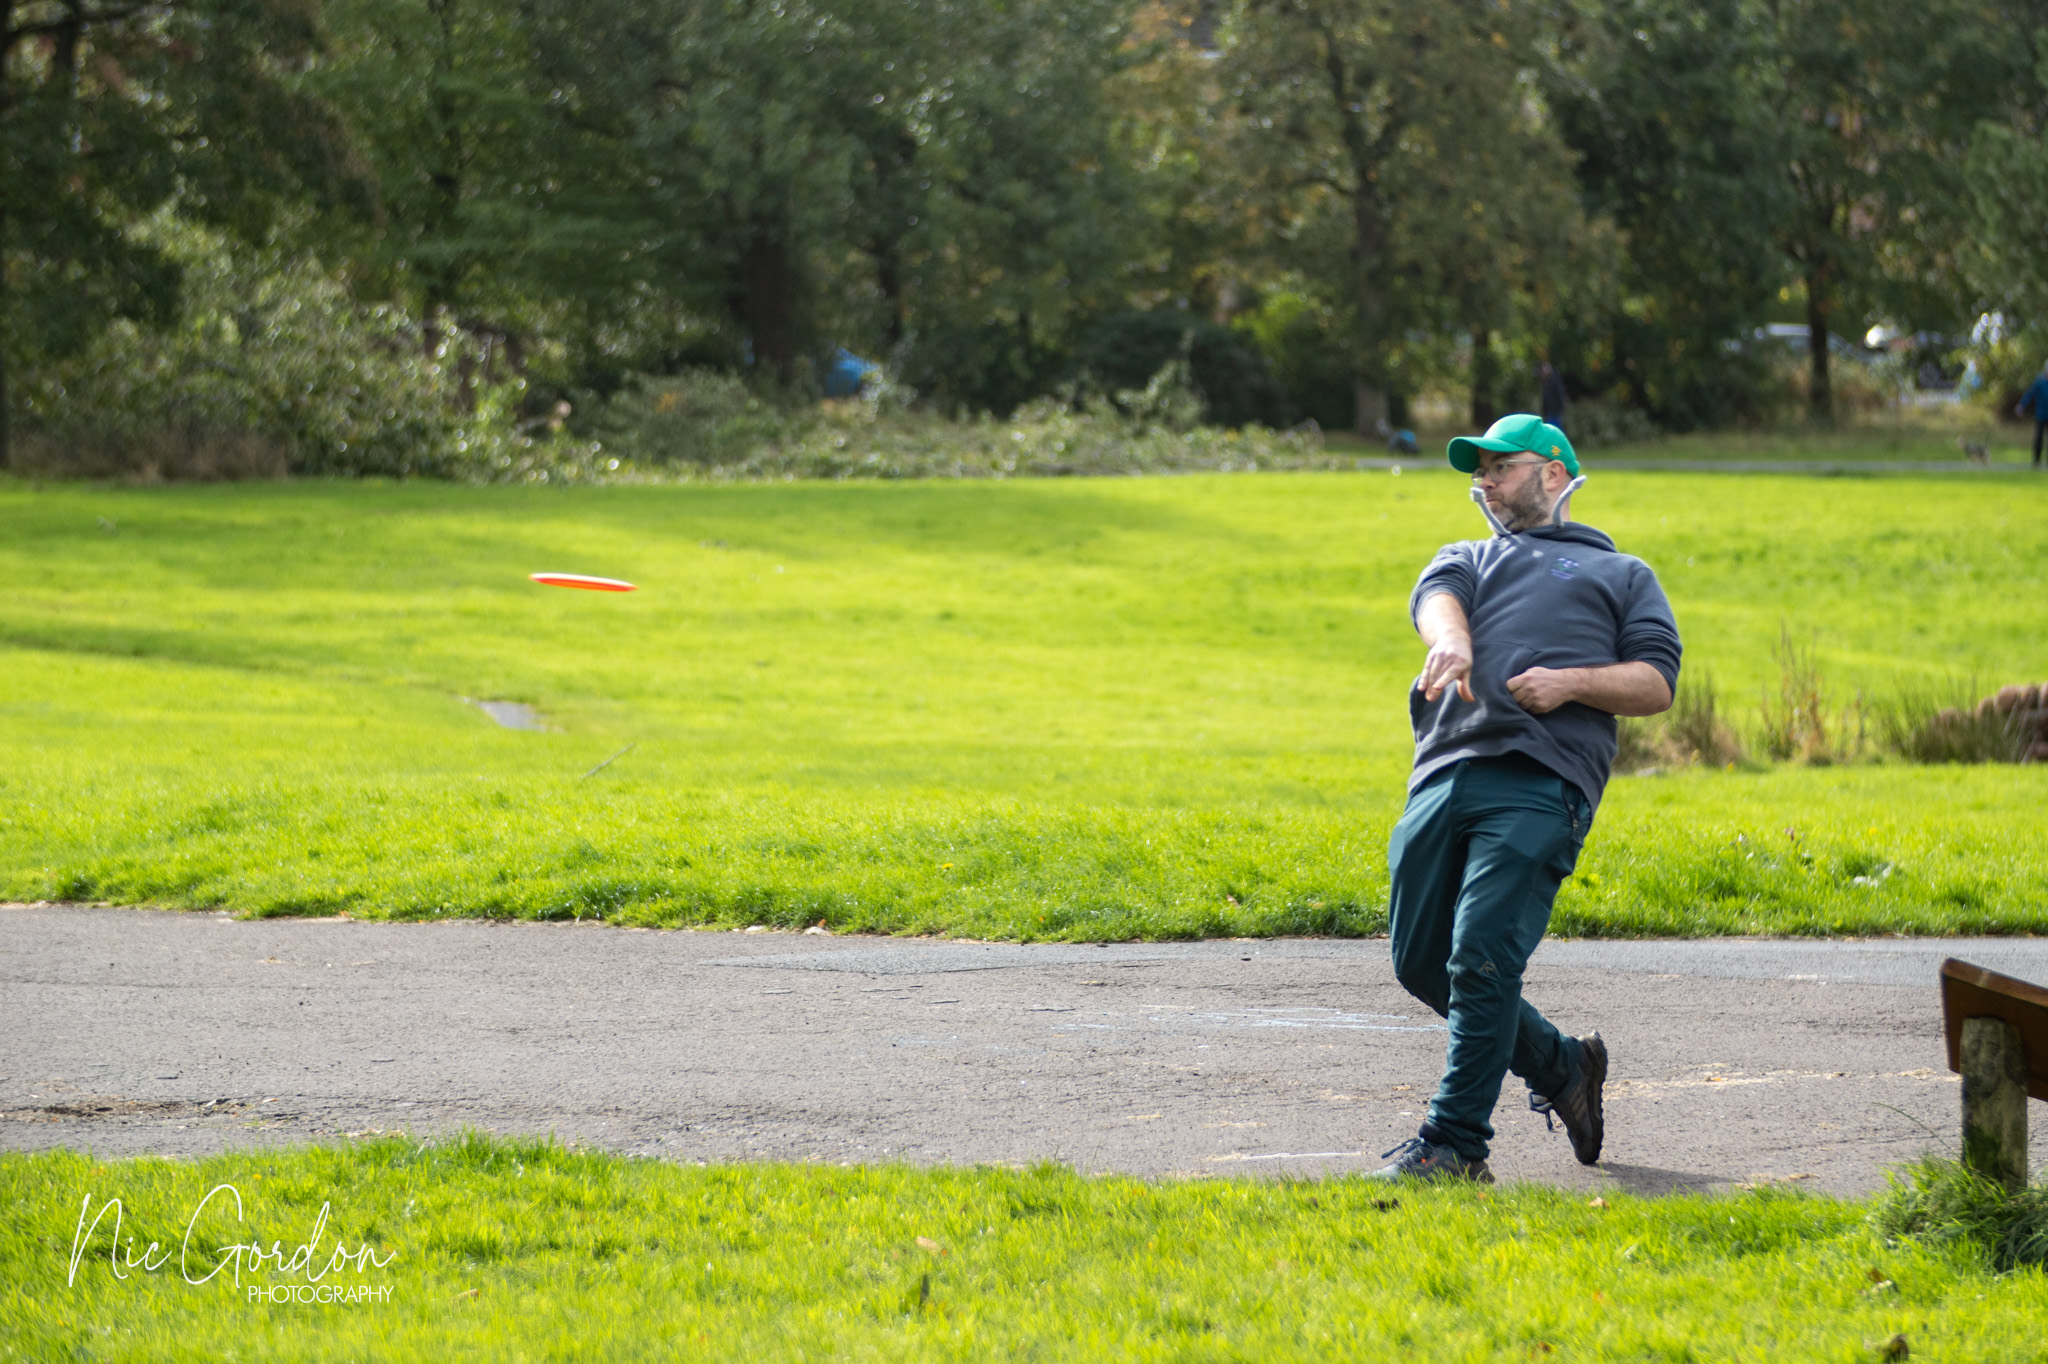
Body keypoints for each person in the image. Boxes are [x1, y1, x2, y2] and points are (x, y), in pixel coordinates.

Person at [1368, 412, 1681, 1183]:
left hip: (1541, 782)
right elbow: (1436, 598)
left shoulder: (1623, 575)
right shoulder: (1468, 557)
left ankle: (1454, 1146)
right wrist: (1453, 641)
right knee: (1420, 963)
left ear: (1553, 472)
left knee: (1480, 956)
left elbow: (1655, 682)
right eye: (1478, 471)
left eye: (1499, 466)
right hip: (1443, 771)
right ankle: (1563, 1067)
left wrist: (1571, 683)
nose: (1484, 482)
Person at [2014, 361, 2048, 468]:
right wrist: (2021, 405)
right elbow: (2029, 394)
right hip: (2041, 414)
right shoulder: (2039, 382)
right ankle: (2037, 460)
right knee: (2039, 438)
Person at [1537, 361, 1567, 433]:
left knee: (1555, 430)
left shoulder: (1554, 380)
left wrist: (1560, 408)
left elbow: (1560, 395)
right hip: (1549, 412)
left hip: (1555, 411)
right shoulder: (1546, 381)